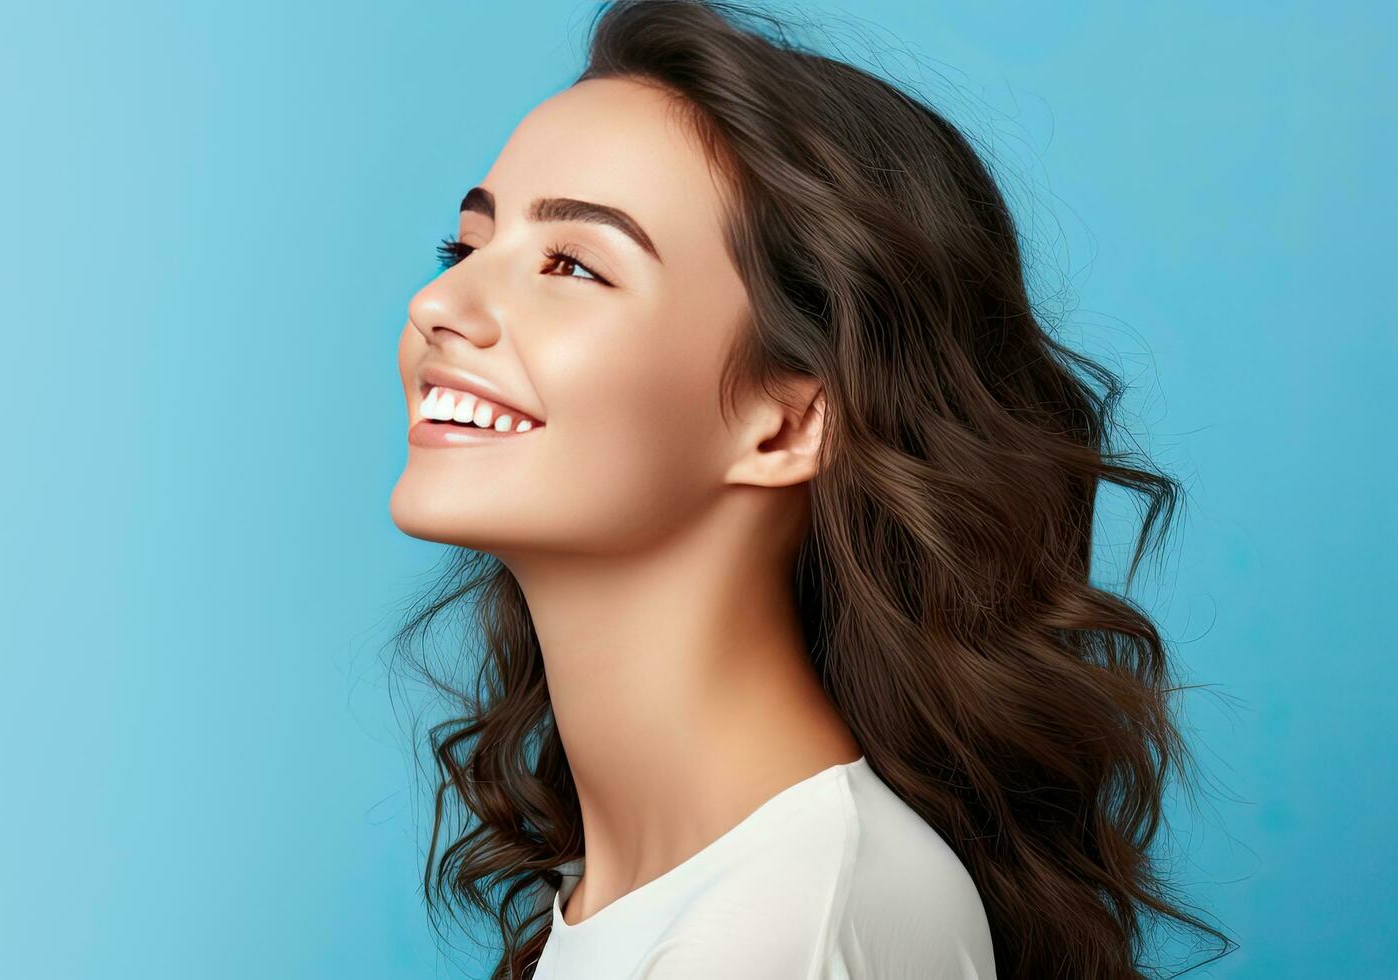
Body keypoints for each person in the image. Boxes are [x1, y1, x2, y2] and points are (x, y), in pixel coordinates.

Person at [385, 2, 1234, 977]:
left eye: (571, 263)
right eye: (464, 248)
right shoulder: (679, 899)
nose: (436, 304)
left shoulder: (785, 928)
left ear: (786, 421)